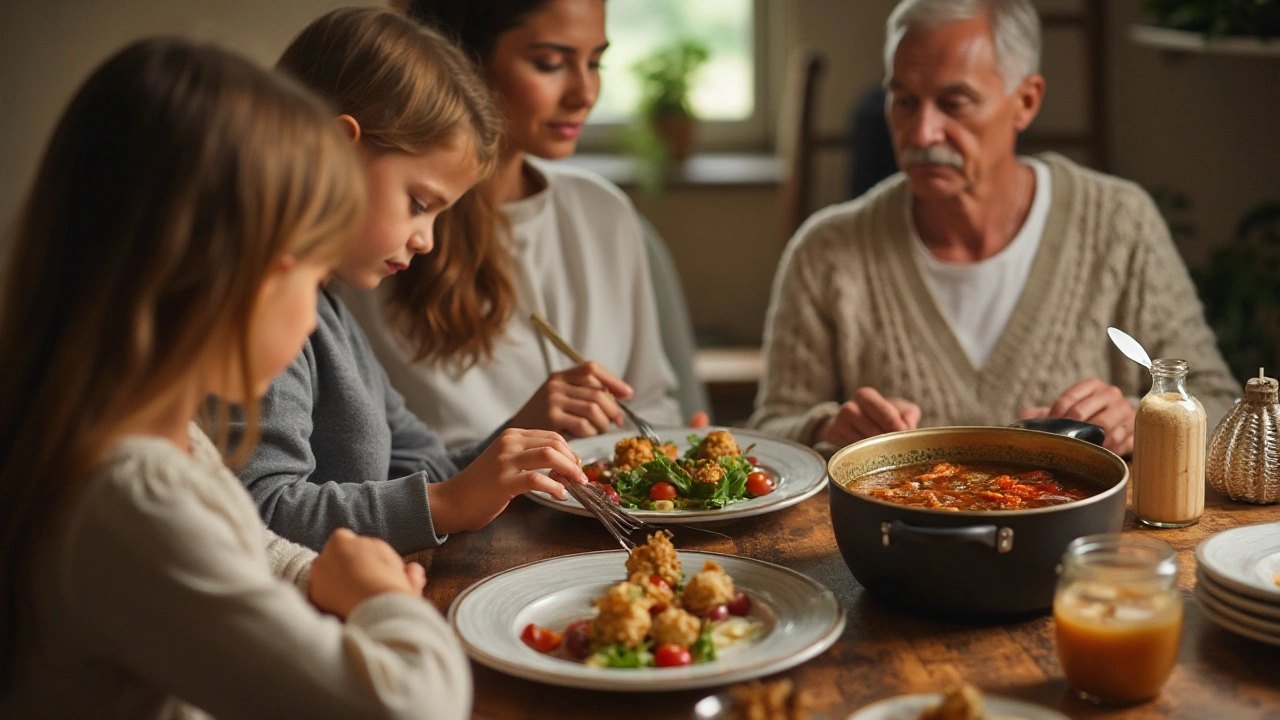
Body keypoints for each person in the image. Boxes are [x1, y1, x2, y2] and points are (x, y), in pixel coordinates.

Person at [0, 38, 471, 718]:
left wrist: (318, 575)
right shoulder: (130, 501)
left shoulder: (152, 442)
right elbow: (412, 708)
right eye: (311, 278)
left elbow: (244, 547)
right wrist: (385, 604)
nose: (317, 309)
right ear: (235, 278)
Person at [748, 0, 1241, 457]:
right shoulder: (826, 251)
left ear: (1025, 101)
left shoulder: (1119, 225)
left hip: (1086, 548)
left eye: (954, 103)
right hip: (894, 547)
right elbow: (769, 432)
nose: (921, 133)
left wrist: (1145, 420)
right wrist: (823, 429)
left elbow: (1222, 404)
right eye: (903, 102)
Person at [231, 7, 586, 554]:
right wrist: (445, 506)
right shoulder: (261, 310)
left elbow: (426, 466)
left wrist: (519, 441)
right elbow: (262, 512)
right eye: (420, 205)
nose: (428, 240)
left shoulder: (329, 314)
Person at [336, 0, 692, 453]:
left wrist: (670, 452)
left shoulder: (607, 213)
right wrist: (517, 433)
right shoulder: (377, 240)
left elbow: (651, 405)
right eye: (550, 63)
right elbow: (371, 468)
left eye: (595, 62)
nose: (585, 93)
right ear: (462, 59)